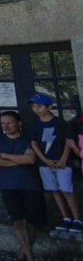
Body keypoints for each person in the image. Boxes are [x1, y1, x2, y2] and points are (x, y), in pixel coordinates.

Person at [0, 110, 45, 261]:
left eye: (10, 122)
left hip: (30, 185)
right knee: (18, 222)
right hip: (8, 186)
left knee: (34, 223)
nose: (6, 126)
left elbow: (31, 160)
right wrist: (19, 160)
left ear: (19, 123)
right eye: (3, 123)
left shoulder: (28, 140)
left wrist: (5, 156)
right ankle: (31, 259)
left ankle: (22, 256)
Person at [28, 93, 82, 231]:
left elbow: (67, 142)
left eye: (39, 106)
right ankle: (65, 217)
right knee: (54, 190)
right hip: (45, 163)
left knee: (67, 190)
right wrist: (45, 160)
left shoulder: (60, 123)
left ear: (49, 107)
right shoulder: (34, 124)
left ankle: (77, 219)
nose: (36, 109)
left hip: (62, 162)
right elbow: (34, 144)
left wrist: (64, 158)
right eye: (34, 106)